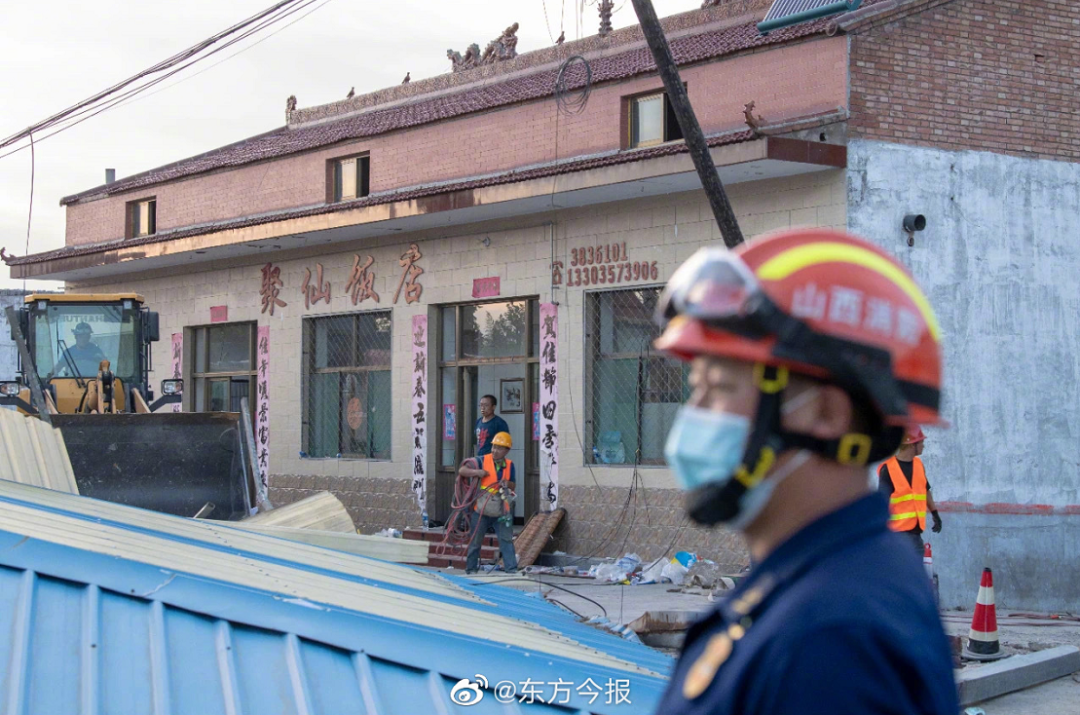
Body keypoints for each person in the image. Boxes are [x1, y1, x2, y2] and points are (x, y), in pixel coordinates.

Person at [652, 228, 958, 714]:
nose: (696, 413)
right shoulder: (813, 589)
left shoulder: (833, 640)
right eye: (696, 388)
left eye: (719, 386)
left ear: (826, 414)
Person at [458, 431, 518, 575]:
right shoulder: (482, 461)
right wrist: (477, 473)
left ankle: (511, 569)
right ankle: (471, 569)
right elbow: (462, 470)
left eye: (499, 448)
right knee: (475, 541)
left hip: (501, 510)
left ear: (506, 450)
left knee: (506, 540)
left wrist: (507, 483)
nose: (495, 450)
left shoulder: (510, 465)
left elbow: (513, 485)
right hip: (481, 510)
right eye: (494, 447)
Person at [879, 425, 942, 555]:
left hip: (915, 534)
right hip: (897, 535)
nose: (923, 446)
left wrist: (935, 513)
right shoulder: (888, 469)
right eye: (921, 442)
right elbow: (881, 502)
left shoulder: (918, 465)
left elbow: (925, 490)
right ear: (912, 444)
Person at [474, 394, 509, 458]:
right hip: (480, 458)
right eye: (481, 405)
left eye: (486, 405)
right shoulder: (478, 422)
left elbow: (505, 444)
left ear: (493, 407)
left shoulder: (499, 423)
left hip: (493, 459)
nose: (483, 408)